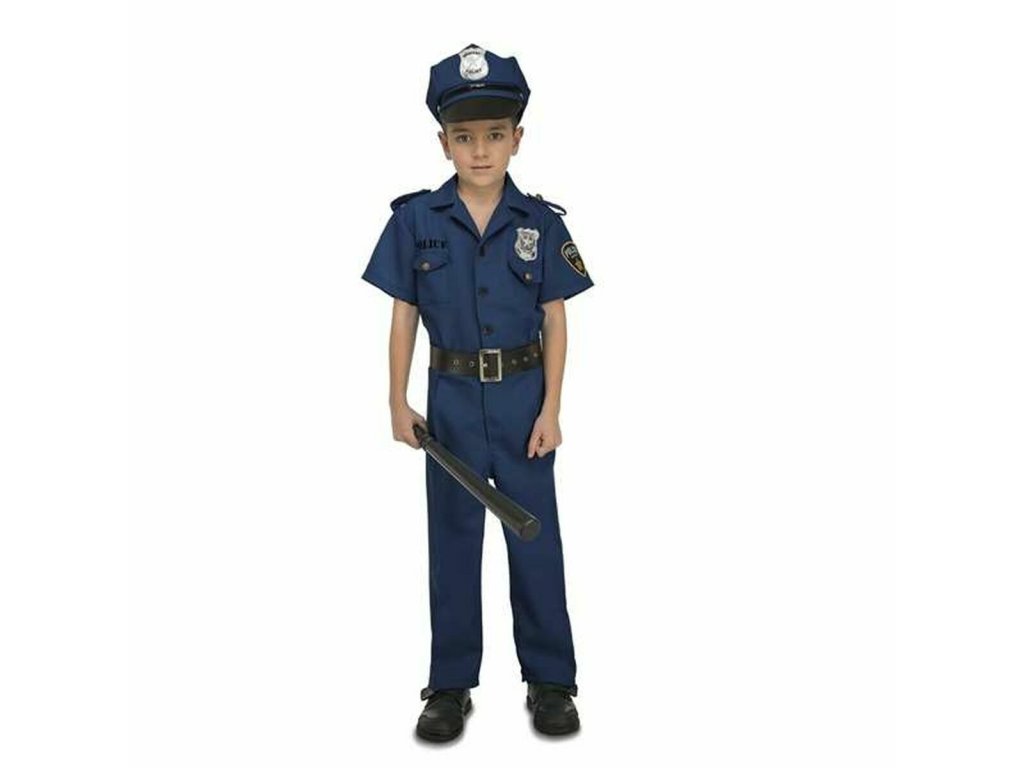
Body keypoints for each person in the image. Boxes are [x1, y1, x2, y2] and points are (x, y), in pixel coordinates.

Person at [361, 43, 594, 741]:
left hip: (524, 401)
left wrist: (552, 409)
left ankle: (551, 680)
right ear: (444, 143)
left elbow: (555, 317)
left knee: (535, 541)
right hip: (453, 402)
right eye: (465, 137)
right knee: (454, 541)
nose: (481, 150)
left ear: (517, 138)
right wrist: (397, 401)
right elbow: (403, 313)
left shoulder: (541, 224)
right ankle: (450, 685)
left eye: (495, 134)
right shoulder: (416, 222)